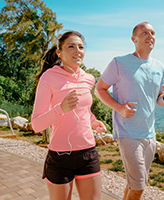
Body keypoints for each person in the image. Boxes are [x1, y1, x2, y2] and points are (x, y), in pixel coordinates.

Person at [95, 22, 164, 200]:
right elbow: (99, 89)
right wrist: (119, 108)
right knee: (138, 188)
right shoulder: (119, 62)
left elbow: (158, 101)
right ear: (134, 39)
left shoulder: (159, 67)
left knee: (135, 184)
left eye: (153, 33)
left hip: (150, 135)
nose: (150, 36)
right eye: (144, 33)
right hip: (128, 133)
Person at [32, 31, 106, 200]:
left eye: (80, 47)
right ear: (59, 52)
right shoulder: (48, 78)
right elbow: (36, 125)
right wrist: (61, 108)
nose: (77, 51)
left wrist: (94, 122)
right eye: (71, 47)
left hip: (88, 153)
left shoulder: (88, 79)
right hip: (60, 156)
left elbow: (84, 110)